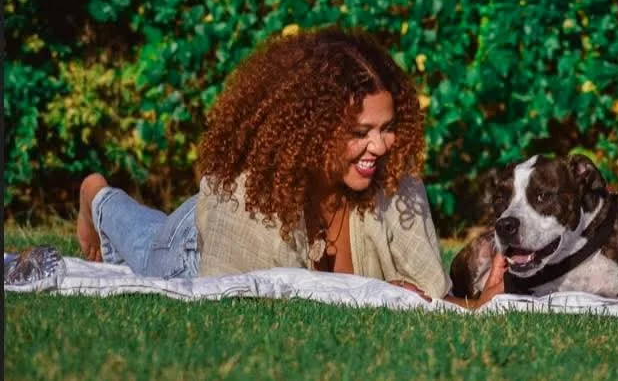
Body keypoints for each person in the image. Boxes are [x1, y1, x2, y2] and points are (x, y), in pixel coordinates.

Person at [76, 26, 505, 309]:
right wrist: (378, 293)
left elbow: (429, 295)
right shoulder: (245, 200)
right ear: (312, 130)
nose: (380, 145)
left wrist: (477, 303)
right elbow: (235, 305)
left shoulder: (394, 181)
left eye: (388, 128)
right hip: (195, 244)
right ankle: (97, 196)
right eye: (360, 132)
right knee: (145, 242)